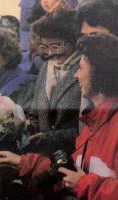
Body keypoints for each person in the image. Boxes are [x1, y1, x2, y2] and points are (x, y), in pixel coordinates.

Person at [0, 32, 118, 200]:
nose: (76, 75)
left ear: (99, 73)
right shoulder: (95, 122)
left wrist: (83, 183)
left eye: (81, 68)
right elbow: (69, 171)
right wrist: (23, 162)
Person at [26, 8, 82, 156]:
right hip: (42, 155)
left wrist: (50, 137)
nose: (50, 53)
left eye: (56, 46)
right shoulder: (46, 67)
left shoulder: (84, 69)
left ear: (73, 40)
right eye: (44, 47)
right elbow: (36, 110)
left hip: (71, 156)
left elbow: (86, 127)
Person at [77, 0, 118, 106]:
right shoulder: (87, 65)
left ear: (117, 32)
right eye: (84, 36)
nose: (88, 42)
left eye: (94, 35)